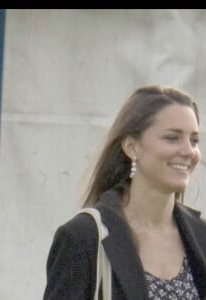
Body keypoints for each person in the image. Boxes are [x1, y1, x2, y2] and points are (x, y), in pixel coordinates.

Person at [43, 85, 206, 299]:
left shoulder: (201, 236)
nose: (188, 151)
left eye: (194, 140)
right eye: (172, 137)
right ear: (131, 147)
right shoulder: (83, 238)